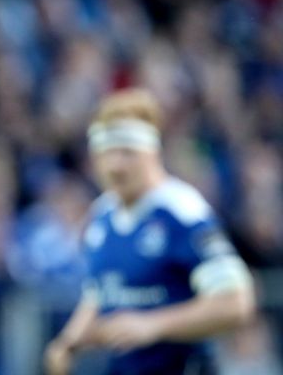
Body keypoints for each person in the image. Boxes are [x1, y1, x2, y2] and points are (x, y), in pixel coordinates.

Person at [44, 88, 255, 375]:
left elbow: (237, 303)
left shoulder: (181, 212)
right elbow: (100, 292)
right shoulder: (102, 216)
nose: (115, 165)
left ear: (152, 150)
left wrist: (154, 325)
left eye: (127, 152)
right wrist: (68, 343)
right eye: (105, 153)